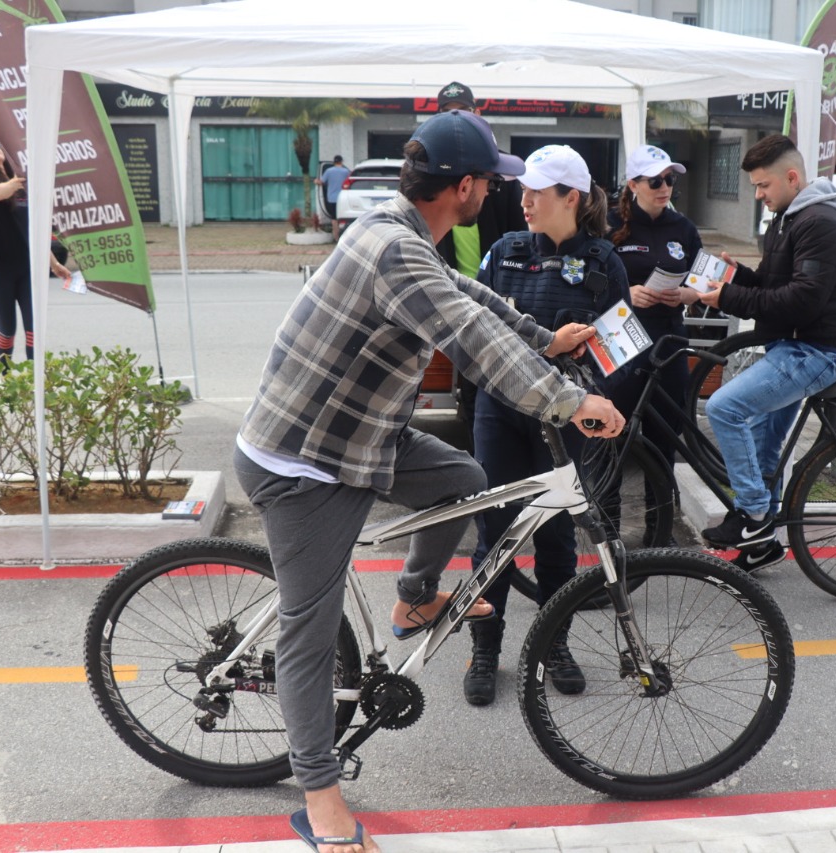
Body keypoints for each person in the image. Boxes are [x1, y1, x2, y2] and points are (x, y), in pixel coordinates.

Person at [233, 110, 624, 853]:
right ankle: (320, 803)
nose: (503, 196)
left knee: (465, 478)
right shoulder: (395, 252)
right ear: (467, 187)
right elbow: (471, 340)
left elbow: (472, 297)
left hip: (359, 432)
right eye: (495, 183)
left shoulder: (401, 228)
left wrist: (545, 338)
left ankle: (413, 601)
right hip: (305, 459)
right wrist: (571, 401)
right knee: (309, 634)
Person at [464, 144, 631, 708]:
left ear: (572, 198)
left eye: (538, 191)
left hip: (563, 422)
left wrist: (597, 402)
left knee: (558, 535)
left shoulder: (606, 262)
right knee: (495, 535)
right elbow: (477, 330)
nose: (525, 200)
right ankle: (485, 648)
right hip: (499, 413)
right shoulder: (504, 251)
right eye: (523, 190)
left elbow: (617, 352)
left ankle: (553, 645)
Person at [695, 134, 836, 552]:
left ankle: (753, 515)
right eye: (753, 186)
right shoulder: (788, 218)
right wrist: (738, 275)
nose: (757, 194)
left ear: (791, 177)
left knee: (723, 408)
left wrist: (729, 297)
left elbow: (801, 302)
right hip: (791, 347)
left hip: (814, 352)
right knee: (765, 441)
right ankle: (762, 544)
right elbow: (775, 285)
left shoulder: (820, 222)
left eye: (763, 185)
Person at [607, 144, 704, 548]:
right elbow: (590, 281)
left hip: (668, 341)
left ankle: (660, 529)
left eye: (670, 180)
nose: (665, 187)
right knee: (610, 432)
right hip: (621, 339)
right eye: (656, 181)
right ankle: (606, 525)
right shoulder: (609, 224)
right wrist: (627, 293)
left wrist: (688, 295)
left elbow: (704, 280)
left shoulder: (683, 227)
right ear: (633, 185)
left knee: (664, 436)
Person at [432, 82, 526, 437]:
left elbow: (521, 234)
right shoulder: (432, 169)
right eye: (447, 111)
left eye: (463, 110)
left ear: (478, 111)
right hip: (446, 292)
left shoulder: (498, 167)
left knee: (485, 378)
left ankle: (483, 451)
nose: (456, 117)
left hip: (492, 295)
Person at [0, 132, 71, 366]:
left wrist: (54, 264)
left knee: (34, 328)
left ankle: (34, 384)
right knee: (7, 330)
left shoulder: (21, 185)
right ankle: (6, 384)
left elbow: (31, 231)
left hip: (28, 268)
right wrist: (16, 181)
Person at [315, 154, 350, 240]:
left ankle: (336, 237)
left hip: (332, 199)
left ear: (334, 162)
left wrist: (316, 181)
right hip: (343, 199)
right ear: (341, 162)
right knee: (342, 218)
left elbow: (322, 182)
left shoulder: (329, 171)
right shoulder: (346, 171)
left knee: (334, 219)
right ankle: (344, 237)